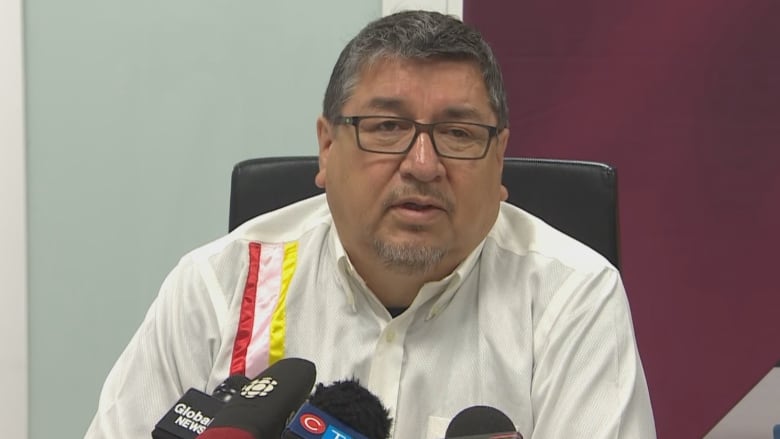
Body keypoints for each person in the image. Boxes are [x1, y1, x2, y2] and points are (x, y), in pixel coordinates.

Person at [85, 10, 656, 439]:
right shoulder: (216, 287)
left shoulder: (572, 297)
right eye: (387, 127)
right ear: (327, 148)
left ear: (499, 161)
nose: (423, 165)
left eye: (458, 134)